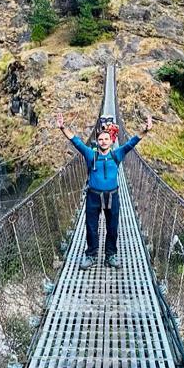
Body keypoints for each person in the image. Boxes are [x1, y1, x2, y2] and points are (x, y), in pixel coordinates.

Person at [56, 112, 152, 270]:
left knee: (112, 227)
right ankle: (91, 255)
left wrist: (145, 131)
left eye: (106, 139)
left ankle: (111, 255)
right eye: (100, 139)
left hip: (112, 196)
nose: (103, 141)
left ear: (111, 141)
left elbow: (131, 143)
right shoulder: (91, 155)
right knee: (91, 226)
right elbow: (77, 142)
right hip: (93, 196)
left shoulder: (117, 154)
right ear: (97, 141)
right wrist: (63, 128)